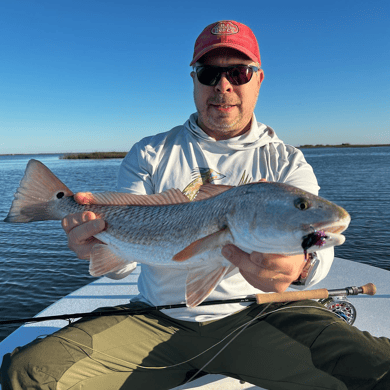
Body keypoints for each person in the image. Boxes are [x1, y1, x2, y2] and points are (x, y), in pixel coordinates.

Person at [1, 20, 389, 390]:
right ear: (194, 80)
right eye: (208, 73)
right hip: (158, 319)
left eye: (239, 72)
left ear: (259, 79)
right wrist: (94, 247)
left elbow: (317, 255)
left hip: (261, 313)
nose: (223, 85)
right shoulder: (151, 152)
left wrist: (299, 269)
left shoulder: (285, 162)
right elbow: (125, 264)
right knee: (27, 376)